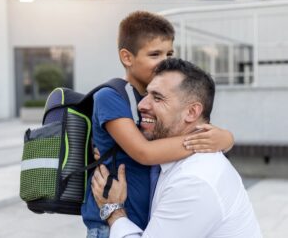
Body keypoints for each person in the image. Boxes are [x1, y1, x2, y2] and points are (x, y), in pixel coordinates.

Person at [81, 11, 234, 238]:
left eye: (169, 52)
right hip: (109, 223)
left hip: (144, 221)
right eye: (155, 54)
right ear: (127, 57)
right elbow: (145, 153)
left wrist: (226, 139)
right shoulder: (110, 97)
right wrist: (207, 140)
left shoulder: (155, 98)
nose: (164, 61)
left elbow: (185, 126)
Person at [91, 58, 262, 238]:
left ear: (191, 112)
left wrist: (113, 211)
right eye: (146, 95)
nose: (141, 105)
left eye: (157, 97)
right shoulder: (179, 159)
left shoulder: (195, 181)